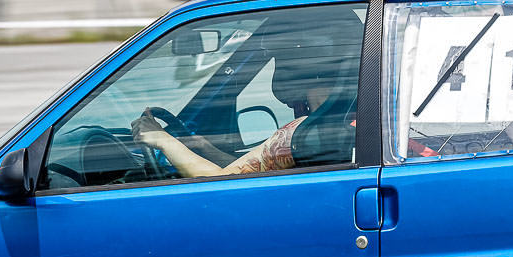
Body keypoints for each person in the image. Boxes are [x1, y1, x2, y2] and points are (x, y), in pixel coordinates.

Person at [131, 20, 361, 177]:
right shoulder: (364, 116)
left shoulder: (303, 134)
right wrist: (203, 147)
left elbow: (223, 182)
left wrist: (162, 139)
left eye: (279, 59)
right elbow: (250, 169)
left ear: (296, 66)